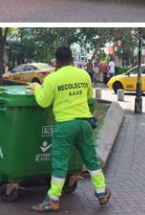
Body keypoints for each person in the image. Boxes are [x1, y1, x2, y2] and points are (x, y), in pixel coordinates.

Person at [28, 45, 111, 212]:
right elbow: (88, 98)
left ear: (56, 61)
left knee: (60, 163)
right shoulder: (84, 75)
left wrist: (37, 88)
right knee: (91, 160)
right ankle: (102, 193)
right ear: (72, 59)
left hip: (65, 125)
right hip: (84, 123)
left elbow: (43, 102)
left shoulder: (53, 78)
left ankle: (53, 199)